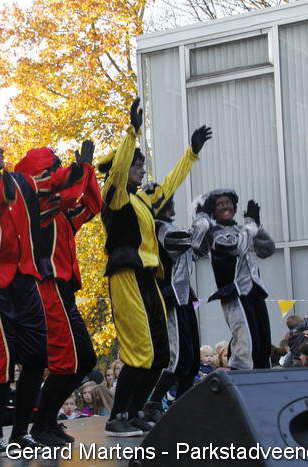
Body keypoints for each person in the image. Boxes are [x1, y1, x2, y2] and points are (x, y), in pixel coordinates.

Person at [0, 114, 84, 451]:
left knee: (38, 357)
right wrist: (4, 198)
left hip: (24, 279)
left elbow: (51, 183)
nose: (0, 149)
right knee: (0, 363)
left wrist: (77, 168)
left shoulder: (18, 181)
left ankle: (21, 433)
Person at [99, 98, 210, 436]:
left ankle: (134, 412)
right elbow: (118, 172)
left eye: (142, 164)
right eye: (137, 164)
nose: (141, 169)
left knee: (160, 353)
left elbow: (170, 185)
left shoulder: (141, 200)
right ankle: (117, 417)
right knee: (140, 350)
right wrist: (131, 132)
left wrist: (191, 154)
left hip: (149, 277)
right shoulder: (115, 195)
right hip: (126, 275)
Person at [15, 140, 101, 446]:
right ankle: (41, 425)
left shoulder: (62, 213)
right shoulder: (38, 207)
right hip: (47, 287)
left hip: (65, 292)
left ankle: (47, 420)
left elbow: (92, 205)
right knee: (65, 362)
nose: (57, 172)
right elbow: (66, 194)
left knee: (86, 359)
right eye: (52, 168)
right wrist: (80, 169)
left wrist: (87, 170)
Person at [193, 188, 274, 371]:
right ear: (214, 209)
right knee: (246, 338)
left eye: (228, 202)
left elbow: (268, 249)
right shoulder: (213, 233)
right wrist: (202, 218)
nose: (225, 207)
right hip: (234, 291)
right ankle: (242, 374)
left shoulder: (243, 229)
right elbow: (226, 246)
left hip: (254, 290)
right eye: (220, 204)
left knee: (263, 339)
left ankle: (264, 374)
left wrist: (257, 227)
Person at [145, 195, 201, 411]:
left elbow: (197, 251)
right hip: (170, 297)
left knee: (193, 358)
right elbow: (184, 242)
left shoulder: (171, 227)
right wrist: (202, 220)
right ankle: (153, 402)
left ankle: (183, 404)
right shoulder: (158, 227)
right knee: (177, 356)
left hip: (184, 297)